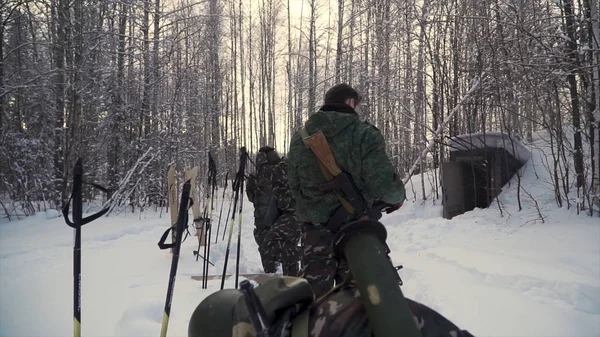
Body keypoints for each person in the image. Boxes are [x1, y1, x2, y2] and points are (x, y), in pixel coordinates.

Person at [287, 83, 406, 298]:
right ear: (350, 102)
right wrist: (397, 198)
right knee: (359, 305)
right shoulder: (363, 134)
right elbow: (384, 185)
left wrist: (317, 207)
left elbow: (294, 187)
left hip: (315, 236)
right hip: (356, 233)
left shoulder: (300, 139)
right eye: (357, 105)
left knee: (313, 304)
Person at [246, 146, 302, 276]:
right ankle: (273, 278)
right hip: (267, 219)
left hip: (289, 216)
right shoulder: (257, 177)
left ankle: (306, 257)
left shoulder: (283, 170)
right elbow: (253, 197)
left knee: (282, 247)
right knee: (269, 246)